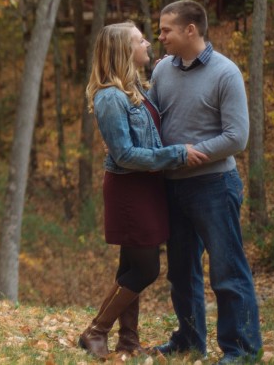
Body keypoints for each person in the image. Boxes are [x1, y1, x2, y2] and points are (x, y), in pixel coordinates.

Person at [78, 22, 209, 359]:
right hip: (129, 188)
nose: (148, 43)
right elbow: (124, 154)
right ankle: (96, 331)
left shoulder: (134, 88)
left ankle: (128, 341)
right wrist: (176, 154)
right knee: (146, 269)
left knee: (131, 265)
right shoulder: (110, 96)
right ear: (125, 50)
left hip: (148, 185)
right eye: (140, 40)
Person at [148, 0, 262, 363]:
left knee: (228, 271)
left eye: (166, 29)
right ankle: (189, 340)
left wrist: (190, 152)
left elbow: (237, 137)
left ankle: (241, 350)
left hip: (214, 186)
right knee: (181, 273)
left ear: (190, 30)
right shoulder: (162, 70)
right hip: (172, 187)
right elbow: (151, 120)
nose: (160, 36)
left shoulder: (226, 73)